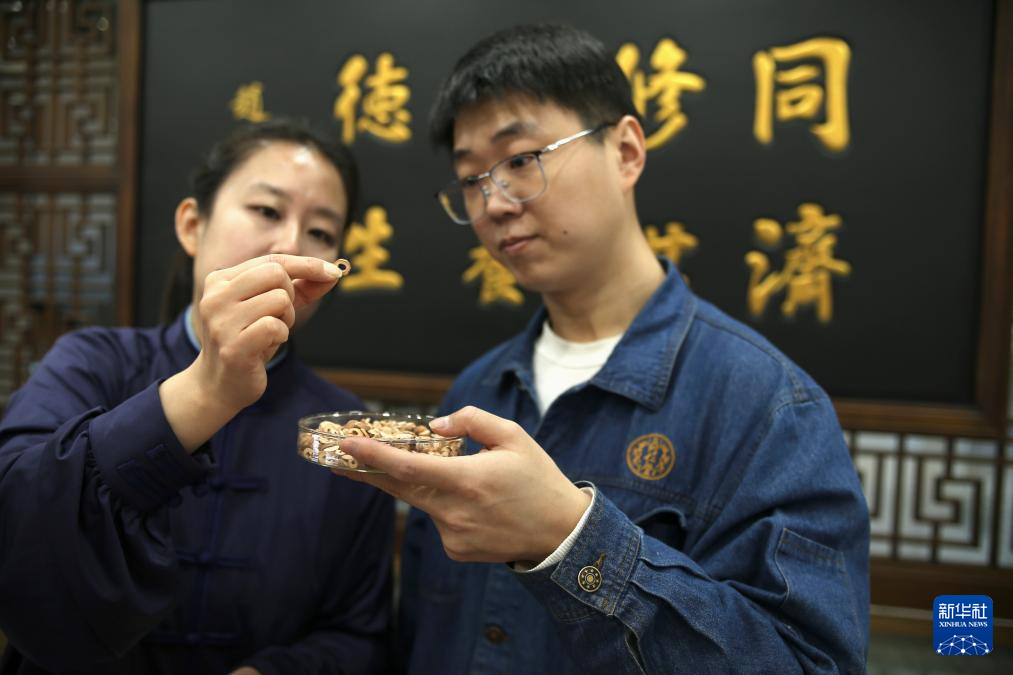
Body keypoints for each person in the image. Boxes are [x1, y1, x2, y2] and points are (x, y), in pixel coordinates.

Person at [336, 24, 869, 674]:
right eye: (471, 178)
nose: (493, 203)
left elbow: (810, 663)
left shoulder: (768, 406)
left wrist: (570, 537)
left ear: (625, 151)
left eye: (520, 159)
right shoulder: (476, 391)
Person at [0, 120, 392, 674]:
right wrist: (207, 388)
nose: (290, 244)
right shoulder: (91, 362)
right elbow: (19, 522)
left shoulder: (344, 431)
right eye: (267, 210)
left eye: (321, 233)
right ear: (192, 225)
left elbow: (360, 635)